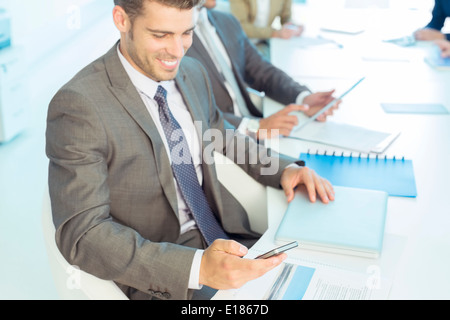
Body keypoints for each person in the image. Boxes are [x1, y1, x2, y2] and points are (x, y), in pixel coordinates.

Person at [46, 0, 334, 300]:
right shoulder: (80, 105)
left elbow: (221, 134)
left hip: (231, 240)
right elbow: (81, 234)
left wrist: (284, 169)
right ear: (121, 20)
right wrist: (199, 268)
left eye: (186, 33)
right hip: (165, 275)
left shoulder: (191, 72)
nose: (178, 50)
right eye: (161, 35)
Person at [186, 0, 339, 141]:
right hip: (221, 142)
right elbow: (192, 112)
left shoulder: (227, 22)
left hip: (256, 127)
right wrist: (254, 127)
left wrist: (303, 98)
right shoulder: (174, 39)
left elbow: (262, 70)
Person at [229, 0, 303, 59]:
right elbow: (240, 26)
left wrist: (292, 27)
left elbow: (286, 17)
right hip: (240, 44)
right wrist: (274, 33)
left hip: (263, 44)